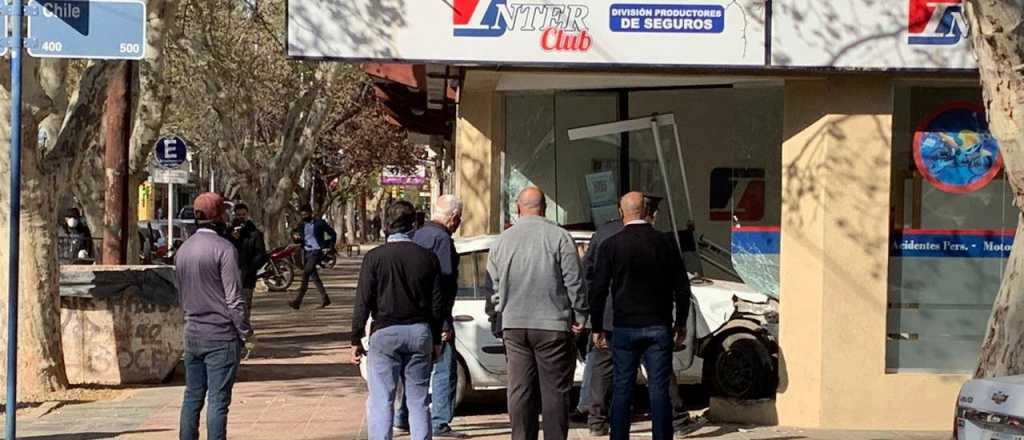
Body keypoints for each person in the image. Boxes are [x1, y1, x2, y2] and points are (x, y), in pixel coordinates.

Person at [582, 194, 705, 437]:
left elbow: (597, 289)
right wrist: (680, 323)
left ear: (621, 212)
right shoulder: (665, 243)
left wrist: (596, 326)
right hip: (658, 326)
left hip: (624, 327)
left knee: (622, 387)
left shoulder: (611, 245)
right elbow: (682, 287)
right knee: (658, 388)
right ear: (648, 212)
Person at [486, 187, 587, 440]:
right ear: (545, 208)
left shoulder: (501, 241)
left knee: (520, 390)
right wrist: (580, 315)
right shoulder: (560, 237)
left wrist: (501, 312)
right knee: (554, 392)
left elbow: (494, 286)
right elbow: (574, 281)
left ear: (518, 208)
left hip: (515, 326)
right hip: (552, 325)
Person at [352, 200, 445, 440]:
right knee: (418, 400)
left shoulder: (374, 258)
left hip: (384, 334)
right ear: (413, 225)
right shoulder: (428, 258)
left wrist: (355, 339)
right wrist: (436, 339)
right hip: (420, 333)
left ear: (386, 225)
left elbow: (362, 301)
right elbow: (438, 304)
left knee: (381, 400)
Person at [176, 193, 249, 440]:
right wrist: (245, 332)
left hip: (192, 334)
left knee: (192, 396)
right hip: (221, 335)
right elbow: (234, 298)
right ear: (219, 216)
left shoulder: (183, 250)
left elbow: (181, 293)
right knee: (218, 400)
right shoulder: (225, 249)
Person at [393, 195, 466, 438]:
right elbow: (443, 284)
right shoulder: (442, 239)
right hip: (435, 317)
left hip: (413, 313)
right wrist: (444, 322)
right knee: (445, 368)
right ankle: (440, 423)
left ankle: (402, 418)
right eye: (459, 219)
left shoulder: (418, 235)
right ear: (453, 218)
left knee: (413, 373)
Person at [289, 204, 338, 310]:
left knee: (306, 273)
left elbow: (332, 234)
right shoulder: (301, 225)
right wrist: (295, 238)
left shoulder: (319, 223)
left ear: (311, 213)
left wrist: (329, 246)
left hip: (317, 251)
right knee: (314, 276)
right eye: (302, 215)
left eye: (306, 214)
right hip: (307, 252)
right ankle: (325, 298)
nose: (304, 216)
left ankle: (298, 301)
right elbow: (299, 238)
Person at [228, 203, 268, 332]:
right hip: (230, 276)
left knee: (245, 305)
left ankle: (245, 332)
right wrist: (232, 238)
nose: (240, 217)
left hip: (247, 277)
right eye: (238, 215)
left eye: (243, 215)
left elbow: (261, 255)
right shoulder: (229, 232)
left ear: (247, 215)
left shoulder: (254, 233)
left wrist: (251, 269)